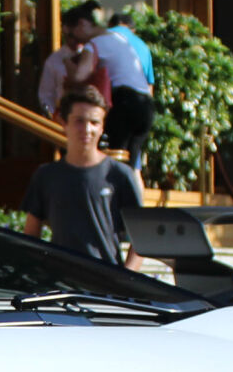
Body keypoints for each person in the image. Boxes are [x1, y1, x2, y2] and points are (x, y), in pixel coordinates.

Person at [21, 86, 144, 267]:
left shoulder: (119, 175)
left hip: (106, 285)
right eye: (79, 121)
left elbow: (141, 239)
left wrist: (126, 279)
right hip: (60, 283)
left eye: (94, 122)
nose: (87, 129)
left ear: (102, 126)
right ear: (63, 123)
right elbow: (31, 233)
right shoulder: (46, 175)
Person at [90, 12, 155, 177]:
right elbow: (149, 85)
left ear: (111, 25)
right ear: (132, 29)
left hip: (121, 100)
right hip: (145, 106)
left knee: (115, 155)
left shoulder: (107, 38)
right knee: (133, 165)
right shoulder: (142, 45)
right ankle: (132, 200)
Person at [36, 1, 111, 118]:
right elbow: (46, 94)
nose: (73, 40)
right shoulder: (55, 59)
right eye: (68, 36)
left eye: (73, 35)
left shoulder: (96, 50)